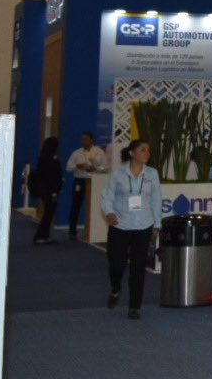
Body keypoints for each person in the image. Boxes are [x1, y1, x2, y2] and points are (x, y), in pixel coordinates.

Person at [100, 140, 162, 319]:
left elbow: (156, 199)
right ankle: (116, 288)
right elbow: (107, 197)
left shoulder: (152, 174)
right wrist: (109, 213)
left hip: (143, 225)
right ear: (132, 153)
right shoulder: (118, 174)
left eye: (148, 150)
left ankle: (135, 306)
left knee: (138, 267)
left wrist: (157, 223)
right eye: (142, 150)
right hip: (120, 224)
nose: (147, 153)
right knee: (116, 264)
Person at [63, 132, 107, 241]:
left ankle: (93, 231)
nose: (83, 141)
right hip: (80, 180)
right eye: (82, 139)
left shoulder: (99, 152)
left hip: (94, 182)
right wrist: (77, 166)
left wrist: (96, 169)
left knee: (95, 206)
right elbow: (68, 168)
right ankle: (72, 231)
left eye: (86, 139)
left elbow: (105, 167)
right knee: (75, 206)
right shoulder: (76, 153)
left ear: (91, 140)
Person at [30, 136, 63, 244]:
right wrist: (54, 191)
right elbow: (51, 177)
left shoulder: (44, 158)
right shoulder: (50, 160)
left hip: (47, 190)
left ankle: (45, 236)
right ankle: (39, 236)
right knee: (48, 213)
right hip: (50, 191)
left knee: (49, 213)